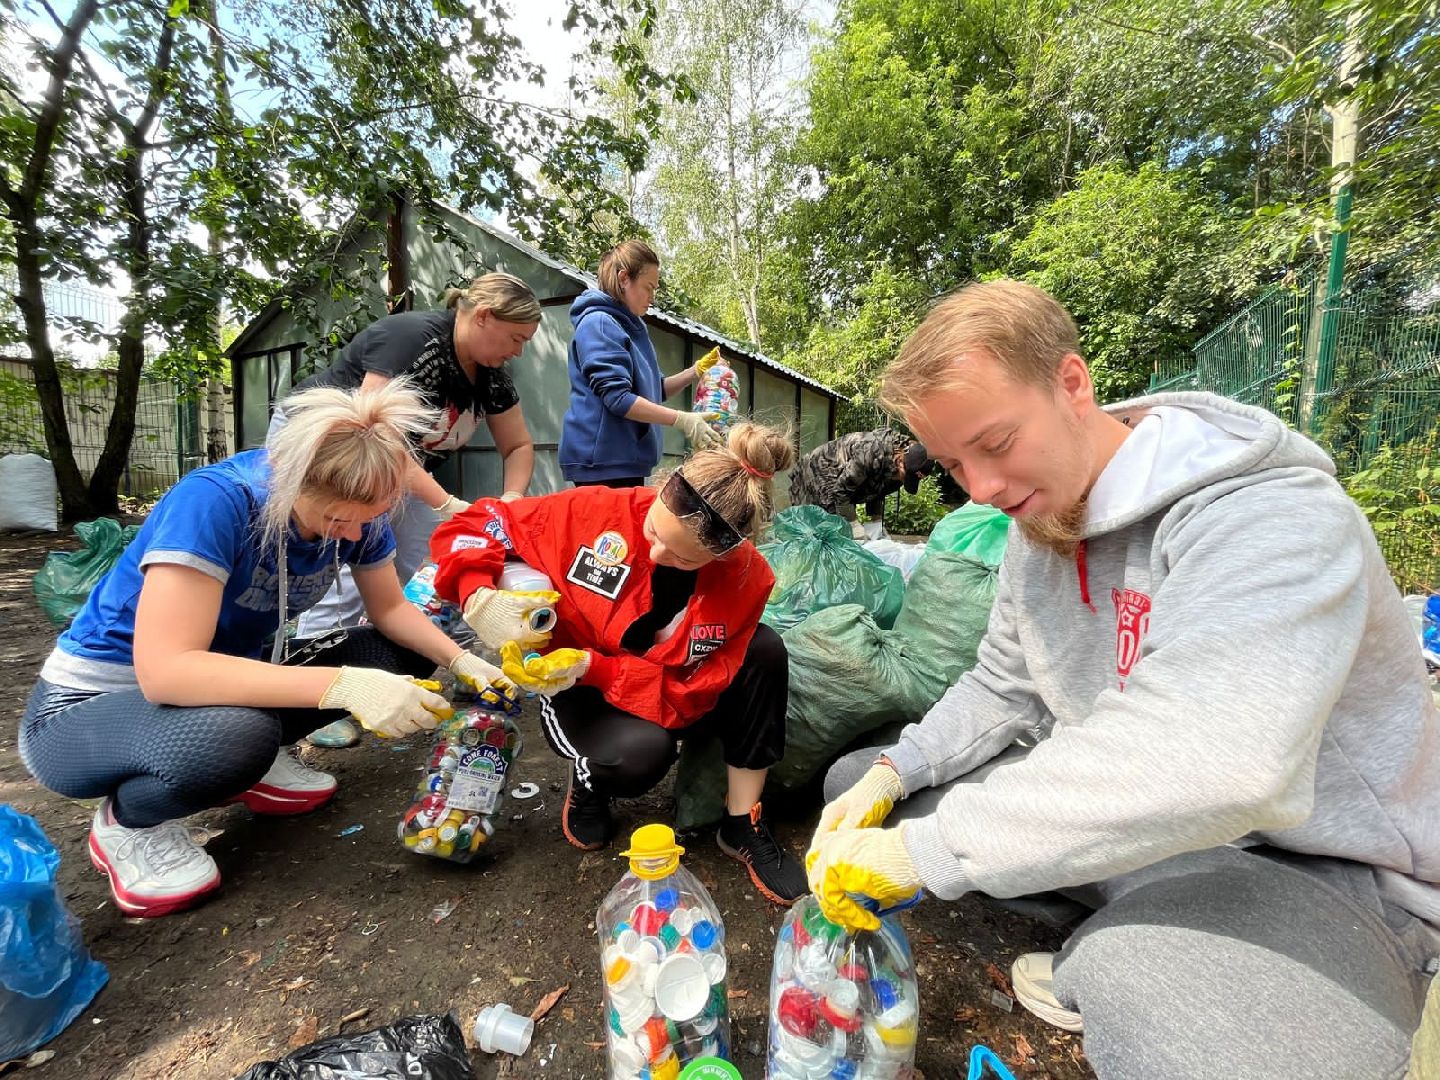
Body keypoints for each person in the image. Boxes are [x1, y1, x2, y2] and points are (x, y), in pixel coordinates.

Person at [807, 280, 1440, 1079]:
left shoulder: (1269, 515)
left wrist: (929, 852)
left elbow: (1224, 762)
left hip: (1313, 870)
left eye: (996, 444)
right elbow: (1002, 689)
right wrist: (898, 771)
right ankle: (1142, 932)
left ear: (1073, 384)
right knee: (859, 781)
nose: (983, 490)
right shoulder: (1036, 525)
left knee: (1145, 990)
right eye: (954, 464)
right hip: (1145, 833)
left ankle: (1146, 960)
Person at [19, 383, 514, 919]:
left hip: (219, 686)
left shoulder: (357, 513)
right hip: (89, 710)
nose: (350, 534)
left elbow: (392, 612)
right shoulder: (215, 503)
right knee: (240, 736)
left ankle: (247, 764)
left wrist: (464, 659)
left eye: (366, 518)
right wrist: (343, 685)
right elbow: (167, 672)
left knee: (401, 657)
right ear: (291, 483)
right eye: (334, 520)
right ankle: (133, 822)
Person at [429, 423, 810, 905]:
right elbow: (476, 523)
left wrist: (599, 668)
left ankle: (742, 823)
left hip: (657, 685)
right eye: (654, 530)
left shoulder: (746, 577)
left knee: (764, 649)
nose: (655, 553)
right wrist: (477, 592)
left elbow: (693, 689)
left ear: (723, 554)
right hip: (573, 681)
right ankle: (590, 782)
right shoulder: (596, 510)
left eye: (682, 558)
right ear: (658, 491)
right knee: (642, 756)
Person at [276, 273, 541, 744]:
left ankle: (452, 661)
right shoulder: (412, 341)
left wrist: (511, 501)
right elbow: (379, 439)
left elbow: (519, 445)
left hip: (406, 467)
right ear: (483, 317)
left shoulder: (493, 376)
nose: (518, 350)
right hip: (339, 453)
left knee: (430, 565)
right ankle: (317, 697)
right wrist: (448, 502)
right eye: (516, 338)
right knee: (337, 564)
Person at [560, 240, 724, 488]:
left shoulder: (633, 326)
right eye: (648, 288)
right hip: (602, 464)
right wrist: (681, 419)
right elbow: (617, 398)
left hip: (624, 459)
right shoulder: (600, 323)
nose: (652, 298)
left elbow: (654, 390)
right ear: (624, 278)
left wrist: (695, 371)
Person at [789, 428, 933, 539]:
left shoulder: (900, 469)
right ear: (900, 461)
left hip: (840, 482)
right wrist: (852, 523)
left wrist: (875, 521)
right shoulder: (871, 451)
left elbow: (878, 490)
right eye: (905, 476)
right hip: (817, 473)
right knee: (816, 529)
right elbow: (841, 491)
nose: (903, 480)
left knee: (837, 533)